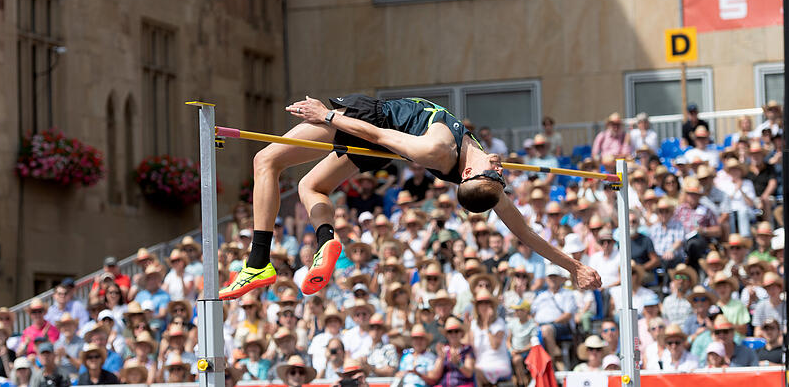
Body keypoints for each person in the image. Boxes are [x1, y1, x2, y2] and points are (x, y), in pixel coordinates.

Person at [219, 95, 601, 299]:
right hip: (380, 138)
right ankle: (325, 242)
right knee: (311, 187)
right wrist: (574, 268)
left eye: (495, 174)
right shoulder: (483, 175)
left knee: (265, 159)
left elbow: (379, 136)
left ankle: (257, 262)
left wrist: (327, 116)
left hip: (369, 121)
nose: (502, 173)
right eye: (500, 177)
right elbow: (524, 233)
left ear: (467, 174)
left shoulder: (435, 151)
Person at [469, 289, 511, 386]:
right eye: (480, 303)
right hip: (480, 364)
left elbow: (495, 346)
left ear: (492, 305)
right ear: (477, 306)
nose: (484, 306)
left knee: (475, 371)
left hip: (498, 364)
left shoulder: (499, 322)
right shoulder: (473, 324)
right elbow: (470, 347)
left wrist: (487, 326)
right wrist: (466, 329)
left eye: (487, 302)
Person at [425, 317, 475, 387]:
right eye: (450, 332)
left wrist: (458, 364)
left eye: (456, 331)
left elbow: (469, 373)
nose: (453, 334)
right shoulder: (443, 350)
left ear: (461, 333)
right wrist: (441, 358)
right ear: (446, 335)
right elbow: (436, 375)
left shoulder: (467, 349)